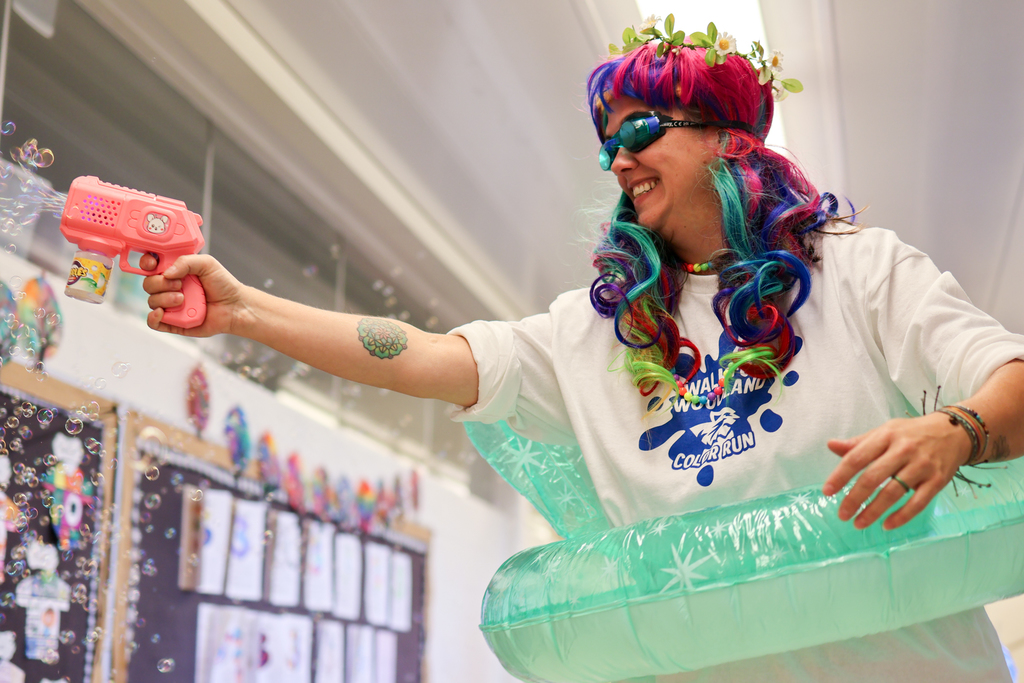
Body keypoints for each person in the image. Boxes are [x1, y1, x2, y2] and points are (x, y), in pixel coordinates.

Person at [142, 18, 1024, 683]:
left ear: (727, 138)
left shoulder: (858, 271)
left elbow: (1010, 377)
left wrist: (954, 428)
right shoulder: (588, 335)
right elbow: (416, 353)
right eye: (609, 140)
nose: (617, 159)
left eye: (641, 131)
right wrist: (244, 310)